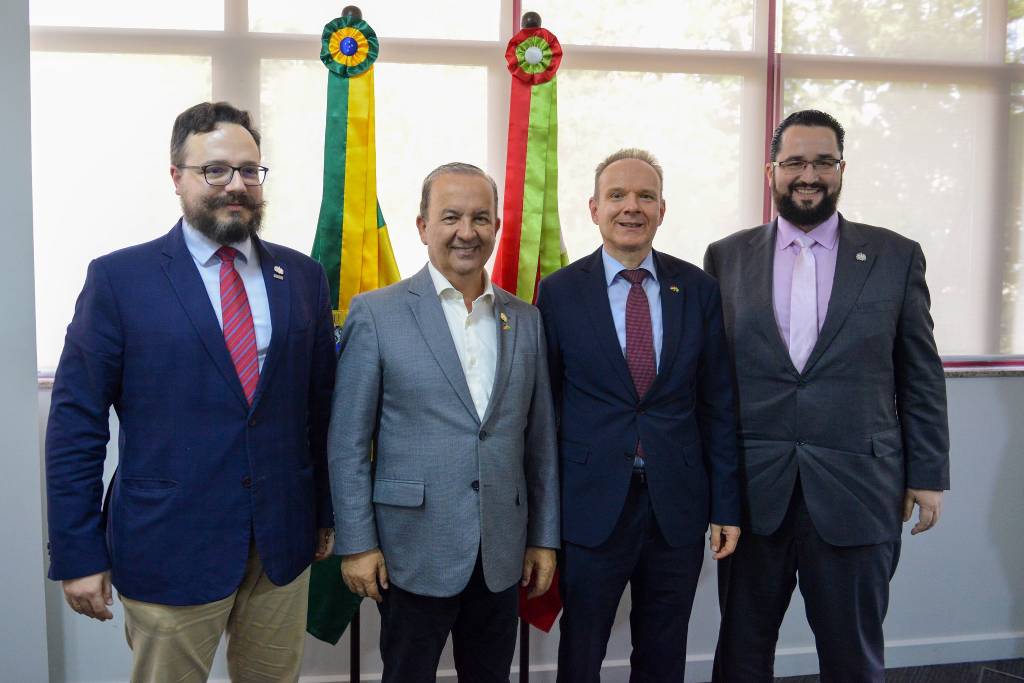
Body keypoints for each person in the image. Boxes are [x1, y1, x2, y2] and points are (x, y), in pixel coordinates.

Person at [45, 101, 337, 682]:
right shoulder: (120, 280)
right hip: (169, 544)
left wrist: (324, 512)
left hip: (281, 542)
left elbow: (319, 409)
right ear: (176, 177)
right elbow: (76, 423)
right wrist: (78, 553)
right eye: (216, 170)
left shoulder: (302, 276)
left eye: (250, 170)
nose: (236, 185)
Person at [705, 109, 950, 682]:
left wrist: (928, 472)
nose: (807, 174)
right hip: (753, 494)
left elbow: (920, 374)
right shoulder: (726, 257)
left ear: (842, 169)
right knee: (741, 655)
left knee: (853, 657)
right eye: (794, 162)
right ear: (771, 170)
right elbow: (712, 385)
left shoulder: (895, 256)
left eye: (822, 161)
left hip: (859, 490)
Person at [327, 162, 559, 683]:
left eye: (481, 218)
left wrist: (543, 538)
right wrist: (359, 544)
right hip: (412, 548)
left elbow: (539, 441)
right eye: (450, 216)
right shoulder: (377, 313)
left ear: (497, 227)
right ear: (422, 226)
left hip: (501, 549)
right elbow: (347, 444)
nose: (466, 232)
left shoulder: (526, 319)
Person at [536, 148, 741, 682]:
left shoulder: (698, 290)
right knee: (582, 650)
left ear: (662, 209)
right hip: (591, 502)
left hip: (676, 504)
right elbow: (545, 407)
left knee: (664, 648)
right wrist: (543, 515)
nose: (632, 207)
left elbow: (717, 404)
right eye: (618, 196)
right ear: (594, 208)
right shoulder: (558, 293)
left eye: (645, 196)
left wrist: (726, 505)